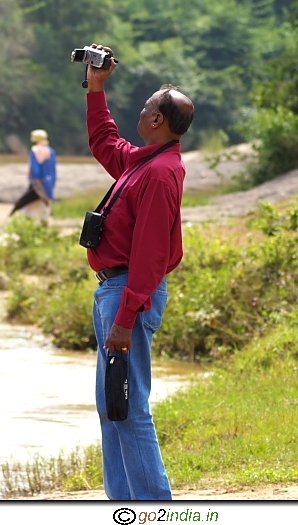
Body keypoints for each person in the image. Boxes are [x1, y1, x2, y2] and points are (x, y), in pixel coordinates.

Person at [84, 43, 195, 501]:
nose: (142, 108)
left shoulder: (159, 173)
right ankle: (124, 505)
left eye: (148, 105)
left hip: (129, 291)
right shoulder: (146, 161)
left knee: (128, 408)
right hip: (116, 289)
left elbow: (150, 255)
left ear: (158, 121)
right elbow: (104, 143)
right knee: (113, 405)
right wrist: (95, 88)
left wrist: (127, 317)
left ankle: (154, 507)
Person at [18, 128, 57, 223]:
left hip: (37, 187)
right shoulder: (51, 152)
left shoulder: (34, 151)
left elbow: (35, 171)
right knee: (44, 214)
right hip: (49, 187)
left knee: (29, 214)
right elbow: (53, 171)